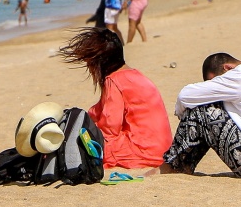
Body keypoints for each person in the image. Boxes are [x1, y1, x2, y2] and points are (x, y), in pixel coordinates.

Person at [57, 28, 172, 171]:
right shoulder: (134, 75)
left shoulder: (114, 81)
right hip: (163, 146)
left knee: (84, 145)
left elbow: (110, 128)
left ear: (100, 63)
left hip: (144, 150)